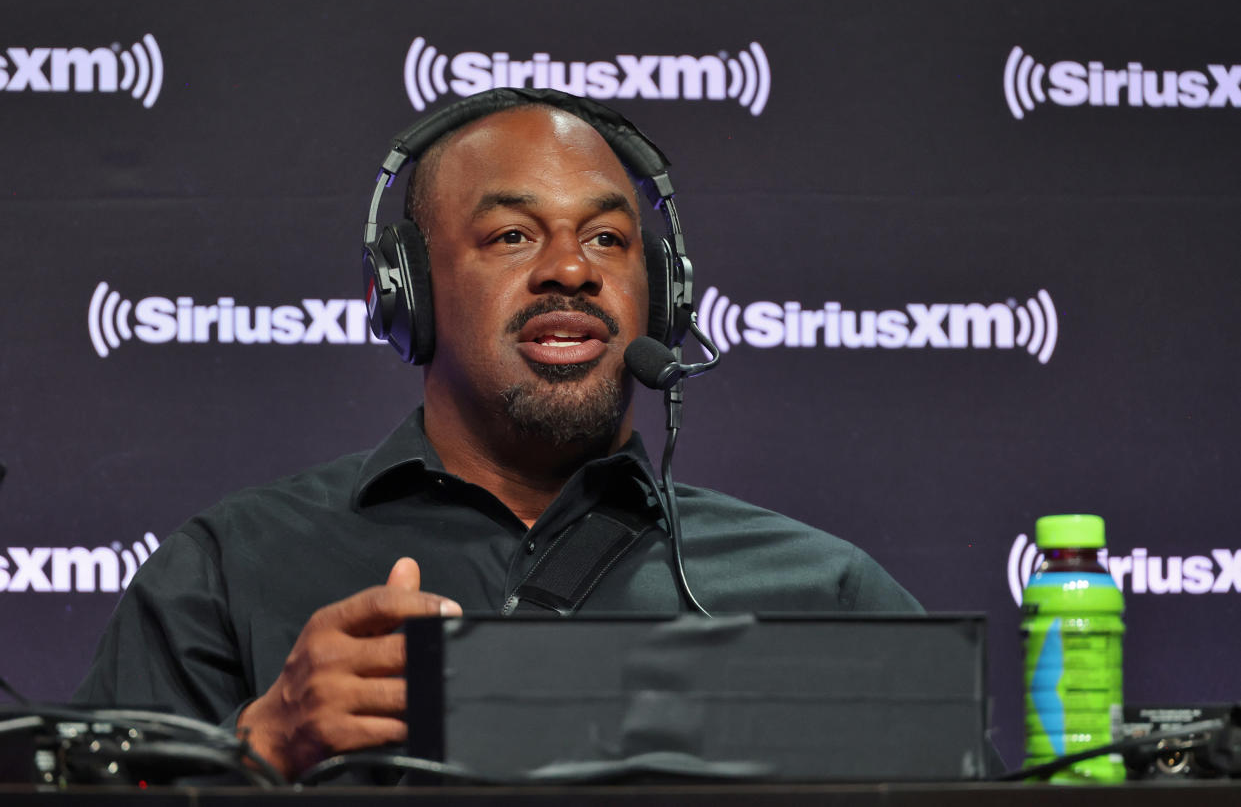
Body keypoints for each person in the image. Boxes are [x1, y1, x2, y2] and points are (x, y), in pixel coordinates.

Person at [74, 90, 921, 781]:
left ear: (661, 294)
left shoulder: (821, 590)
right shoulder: (229, 570)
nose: (570, 268)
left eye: (607, 238)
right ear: (404, 294)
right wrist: (258, 749)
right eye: (512, 235)